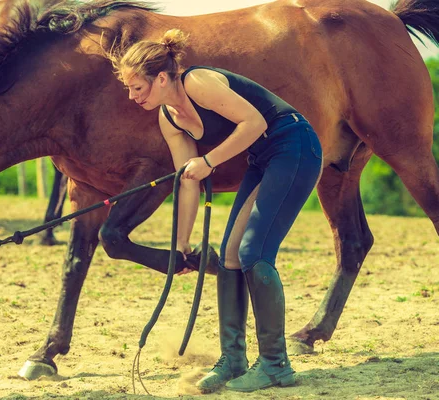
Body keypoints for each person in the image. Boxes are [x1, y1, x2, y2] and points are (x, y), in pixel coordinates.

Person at [110, 28, 323, 393]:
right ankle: (234, 360)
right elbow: (187, 181)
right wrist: (181, 243)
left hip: (294, 146)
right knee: (228, 256)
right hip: (264, 158)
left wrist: (208, 160)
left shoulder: (198, 82)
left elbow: (254, 123)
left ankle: (275, 364)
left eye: (137, 88)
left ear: (161, 78)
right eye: (129, 89)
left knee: (253, 252)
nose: (132, 97)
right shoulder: (169, 118)